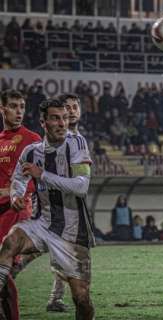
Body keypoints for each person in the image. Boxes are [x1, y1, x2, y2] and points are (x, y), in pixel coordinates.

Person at [0, 98, 95, 319]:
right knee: (10, 241)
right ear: (43, 122)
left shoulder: (77, 143)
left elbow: (82, 187)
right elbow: (19, 180)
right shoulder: (32, 152)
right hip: (42, 224)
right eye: (55, 118)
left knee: (82, 299)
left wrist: (42, 174)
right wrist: (16, 196)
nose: (62, 123)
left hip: (72, 233)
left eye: (64, 118)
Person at [0, 90, 42, 320]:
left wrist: (16, 193)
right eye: (13, 106)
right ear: (2, 109)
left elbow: (38, 177)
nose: (19, 111)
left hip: (16, 210)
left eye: (22, 106)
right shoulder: (0, 140)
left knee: (3, 269)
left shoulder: (32, 139)